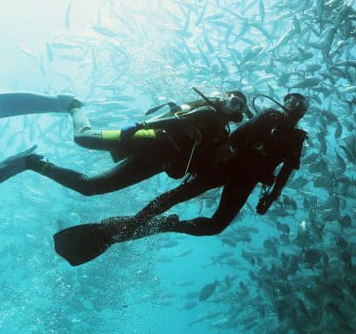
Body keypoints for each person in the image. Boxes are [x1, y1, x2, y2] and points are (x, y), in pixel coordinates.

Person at [53, 92, 309, 266]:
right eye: (292, 99)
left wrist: (271, 197)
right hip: (224, 167)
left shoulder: (297, 138)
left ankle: (166, 224)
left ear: (303, 112)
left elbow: (287, 170)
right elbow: (237, 137)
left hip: (246, 181)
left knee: (215, 226)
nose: (296, 105)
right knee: (175, 195)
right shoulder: (268, 117)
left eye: (301, 103)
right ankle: (133, 225)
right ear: (284, 101)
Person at [0, 89, 249, 195]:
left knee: (90, 187)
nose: (236, 107)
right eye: (234, 100)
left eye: (241, 106)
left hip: (157, 162)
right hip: (148, 137)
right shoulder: (208, 110)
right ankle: (74, 104)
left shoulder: (224, 136)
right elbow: (176, 122)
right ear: (224, 99)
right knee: (83, 138)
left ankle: (31, 163)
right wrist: (136, 126)